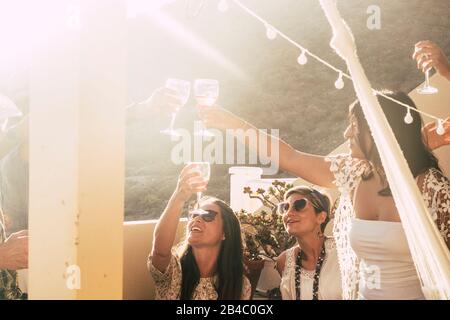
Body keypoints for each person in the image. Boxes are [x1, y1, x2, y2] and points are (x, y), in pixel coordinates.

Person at [198, 90, 450, 300]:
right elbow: (290, 157)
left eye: (354, 126)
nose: (347, 134)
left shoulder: (429, 186)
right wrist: (232, 124)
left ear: (378, 130)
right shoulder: (354, 174)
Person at [148, 164, 251, 300]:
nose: (197, 219)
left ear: (224, 232)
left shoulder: (239, 284)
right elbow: (160, 251)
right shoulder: (174, 272)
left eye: (208, 215)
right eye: (194, 214)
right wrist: (179, 197)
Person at [276, 186, 342, 300]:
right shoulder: (284, 262)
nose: (288, 213)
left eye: (299, 206)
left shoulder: (343, 252)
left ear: (321, 217)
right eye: (285, 208)